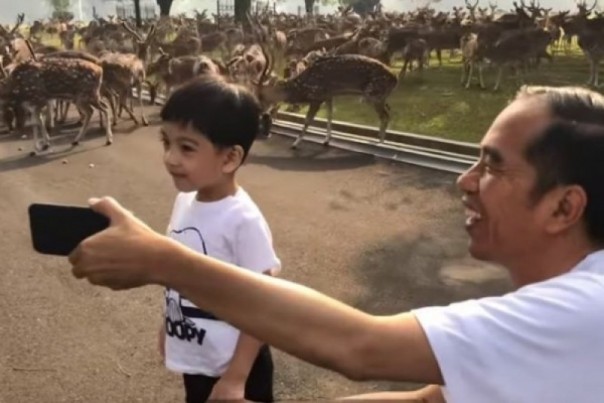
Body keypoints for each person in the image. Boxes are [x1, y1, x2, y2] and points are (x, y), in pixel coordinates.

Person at [68, 85, 604, 403]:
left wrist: (161, 260)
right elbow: (431, 400)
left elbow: (362, 347)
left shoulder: (585, 311)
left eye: (492, 165)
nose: (465, 180)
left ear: (564, 208)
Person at [155, 77, 281, 403]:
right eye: (166, 142)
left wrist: (236, 378)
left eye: (186, 148)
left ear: (229, 159)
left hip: (236, 370)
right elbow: (178, 278)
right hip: (198, 359)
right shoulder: (185, 202)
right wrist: (167, 325)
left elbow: (263, 306)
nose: (170, 157)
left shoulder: (243, 220)